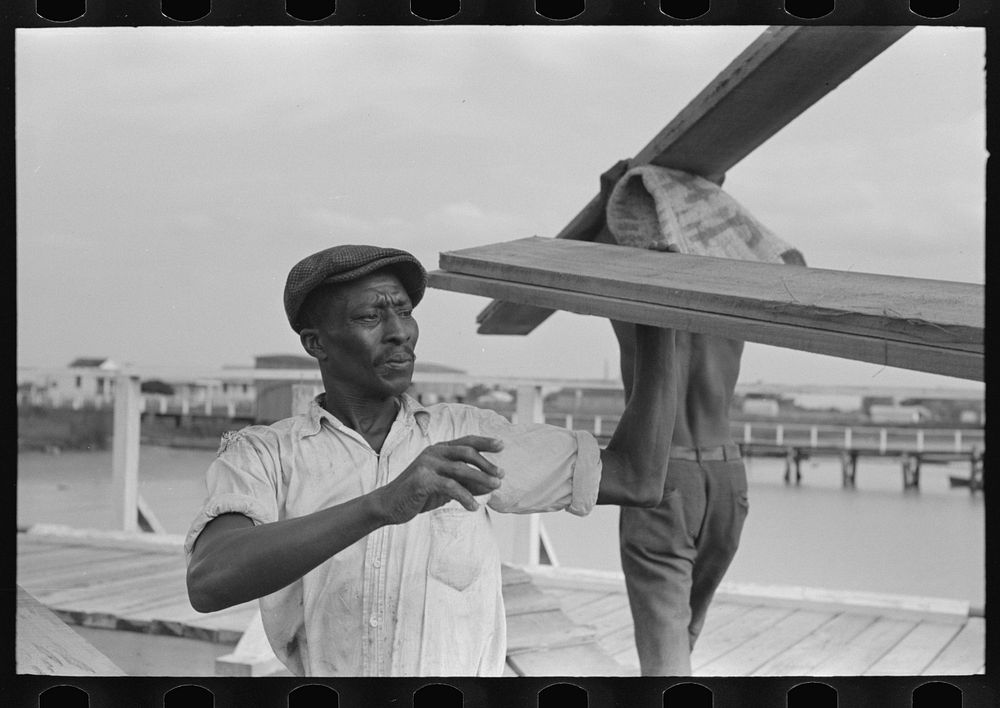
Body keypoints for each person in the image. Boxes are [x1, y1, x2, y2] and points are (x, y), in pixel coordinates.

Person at [185, 243, 680, 677]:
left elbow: (636, 479)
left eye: (403, 310)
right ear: (316, 343)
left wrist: (660, 323)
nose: (399, 331)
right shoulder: (265, 453)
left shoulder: (467, 435)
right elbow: (209, 582)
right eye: (370, 317)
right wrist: (382, 504)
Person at [595, 159, 805, 675]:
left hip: (663, 471)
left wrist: (608, 199)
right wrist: (708, 195)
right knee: (685, 625)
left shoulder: (638, 297)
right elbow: (792, 267)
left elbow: (592, 259)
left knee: (665, 635)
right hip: (727, 474)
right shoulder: (732, 293)